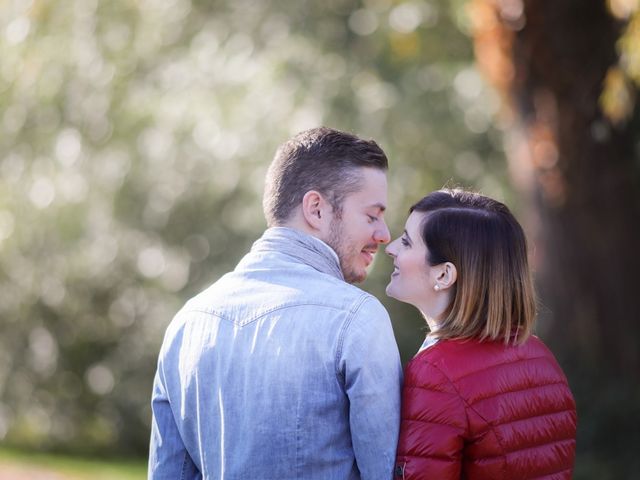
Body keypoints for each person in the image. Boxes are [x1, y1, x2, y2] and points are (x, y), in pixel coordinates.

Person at [148, 127, 403, 479]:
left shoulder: (187, 322)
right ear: (316, 209)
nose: (384, 234)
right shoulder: (358, 319)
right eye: (372, 215)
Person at [386, 188, 577, 479]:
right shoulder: (541, 356)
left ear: (444, 275)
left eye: (407, 242)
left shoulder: (435, 373)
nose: (390, 248)